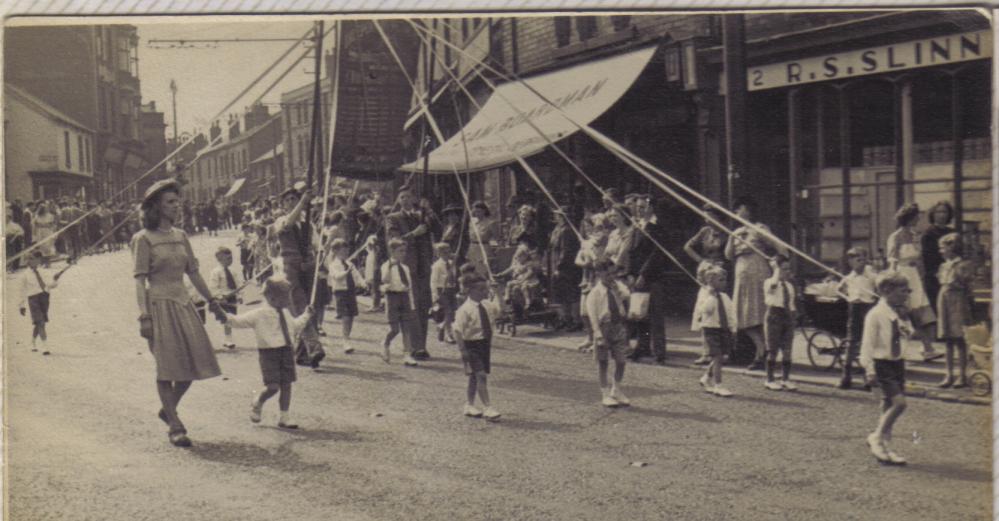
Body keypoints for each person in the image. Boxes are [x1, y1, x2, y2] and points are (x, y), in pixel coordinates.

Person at [132, 179, 222, 448]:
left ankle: (167, 408)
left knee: (193, 365)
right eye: (170, 202)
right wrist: (144, 316)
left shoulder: (181, 236)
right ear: (156, 207)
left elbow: (192, 272)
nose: (177, 205)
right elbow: (139, 280)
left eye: (177, 200)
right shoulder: (143, 239)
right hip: (158, 306)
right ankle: (175, 425)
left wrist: (212, 301)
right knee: (167, 368)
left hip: (184, 305)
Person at [218, 275, 312, 430]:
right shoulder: (259, 314)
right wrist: (222, 314)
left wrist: (307, 315)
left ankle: (284, 416)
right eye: (284, 297)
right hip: (269, 354)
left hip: (287, 351)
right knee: (273, 387)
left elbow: (295, 326)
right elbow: (237, 321)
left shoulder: (285, 313)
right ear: (271, 297)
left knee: (287, 384)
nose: (288, 301)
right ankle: (258, 401)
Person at [860, 271, 915, 465]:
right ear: (886, 291)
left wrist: (906, 325)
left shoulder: (899, 311)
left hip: (897, 363)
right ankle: (876, 437)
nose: (906, 294)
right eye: (903, 290)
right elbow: (867, 344)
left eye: (908, 290)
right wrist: (869, 369)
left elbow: (907, 335)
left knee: (887, 404)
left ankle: (883, 445)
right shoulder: (875, 314)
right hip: (881, 364)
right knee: (900, 403)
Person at [269, 186, 325, 368]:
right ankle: (315, 348)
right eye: (288, 200)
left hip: (307, 267)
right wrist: (302, 203)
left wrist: (314, 262)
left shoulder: (308, 224)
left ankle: (301, 354)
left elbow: (317, 246)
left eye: (295, 198)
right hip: (290, 268)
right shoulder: (280, 220)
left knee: (312, 305)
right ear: (283, 204)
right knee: (301, 307)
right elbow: (288, 225)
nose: (291, 202)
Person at [724, 196, 780, 371]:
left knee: (759, 314)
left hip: (758, 272)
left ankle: (763, 354)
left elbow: (778, 246)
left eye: (738, 209)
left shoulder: (759, 228)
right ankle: (762, 350)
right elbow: (728, 255)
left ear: (746, 210)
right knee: (743, 317)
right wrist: (732, 237)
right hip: (742, 275)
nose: (735, 213)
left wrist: (779, 260)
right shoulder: (736, 231)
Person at [886, 203, 941, 362]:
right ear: (909, 218)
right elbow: (893, 262)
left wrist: (921, 277)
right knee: (906, 313)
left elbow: (919, 259)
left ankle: (924, 348)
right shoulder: (895, 237)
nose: (918, 218)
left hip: (914, 277)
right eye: (916, 216)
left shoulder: (915, 235)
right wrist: (895, 282)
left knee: (916, 313)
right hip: (902, 276)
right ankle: (922, 348)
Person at [385, 189, 436, 360]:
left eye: (409, 196)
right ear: (398, 200)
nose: (406, 200)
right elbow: (394, 241)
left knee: (423, 306)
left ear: (414, 199)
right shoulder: (393, 218)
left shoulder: (419, 216)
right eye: (402, 197)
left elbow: (437, 228)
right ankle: (414, 347)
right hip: (407, 267)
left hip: (423, 266)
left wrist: (428, 211)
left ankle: (421, 345)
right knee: (411, 306)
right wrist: (415, 233)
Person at [452, 272, 502, 420]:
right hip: (470, 345)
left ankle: (469, 405)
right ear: (471, 291)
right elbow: (457, 330)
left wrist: (498, 293)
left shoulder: (487, 305)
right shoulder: (464, 309)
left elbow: (500, 312)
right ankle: (488, 407)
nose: (485, 291)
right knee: (480, 375)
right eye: (481, 289)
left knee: (474, 376)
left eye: (486, 288)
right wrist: (463, 351)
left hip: (484, 344)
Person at [585, 259, 632, 408]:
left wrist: (618, 289)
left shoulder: (617, 288)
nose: (611, 277)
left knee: (621, 360)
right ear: (598, 274)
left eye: (613, 274)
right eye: (607, 274)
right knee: (603, 362)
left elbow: (627, 294)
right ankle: (605, 393)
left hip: (618, 326)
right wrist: (597, 334)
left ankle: (616, 390)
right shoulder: (595, 293)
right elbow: (592, 316)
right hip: (604, 328)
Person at [631, 199, 671, 364]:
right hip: (638, 277)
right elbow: (632, 252)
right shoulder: (637, 227)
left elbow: (656, 254)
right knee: (641, 313)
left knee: (655, 315)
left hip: (652, 276)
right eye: (637, 207)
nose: (639, 210)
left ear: (651, 208)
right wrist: (631, 274)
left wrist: (643, 274)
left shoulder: (656, 227)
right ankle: (642, 346)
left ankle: (659, 351)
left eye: (643, 207)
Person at [936, 232, 974, 388]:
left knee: (959, 340)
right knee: (948, 340)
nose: (941, 251)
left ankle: (962, 375)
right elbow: (941, 281)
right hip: (944, 300)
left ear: (952, 248)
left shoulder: (963, 265)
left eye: (943, 248)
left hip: (958, 302)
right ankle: (949, 374)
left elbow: (966, 285)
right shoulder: (943, 266)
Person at [837, 247, 879, 390]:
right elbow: (838, 289)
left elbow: (879, 288)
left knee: (867, 343)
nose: (860, 263)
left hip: (868, 309)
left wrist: (875, 298)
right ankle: (846, 377)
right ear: (850, 262)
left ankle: (867, 377)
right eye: (856, 260)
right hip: (854, 309)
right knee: (851, 343)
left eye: (862, 259)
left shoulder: (872, 275)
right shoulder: (849, 277)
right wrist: (848, 298)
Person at [692, 265, 736, 397]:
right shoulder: (705, 295)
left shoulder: (725, 297)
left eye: (724, 280)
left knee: (721, 356)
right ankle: (718, 385)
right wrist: (711, 297)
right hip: (711, 329)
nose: (724, 283)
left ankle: (706, 377)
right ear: (710, 282)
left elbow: (730, 313)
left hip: (723, 329)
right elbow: (706, 311)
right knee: (717, 356)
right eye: (721, 280)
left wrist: (733, 327)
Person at [380, 238, 419, 366]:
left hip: (405, 298)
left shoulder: (405, 268)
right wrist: (390, 268)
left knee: (406, 328)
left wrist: (411, 303)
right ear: (392, 251)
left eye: (404, 251)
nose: (403, 254)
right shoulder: (386, 266)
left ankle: (407, 355)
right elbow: (384, 280)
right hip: (392, 297)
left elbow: (409, 286)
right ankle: (385, 343)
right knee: (394, 329)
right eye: (400, 251)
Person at [762, 255, 798, 391]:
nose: (787, 272)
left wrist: (793, 317)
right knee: (772, 350)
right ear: (777, 270)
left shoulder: (789, 286)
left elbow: (791, 303)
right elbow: (773, 286)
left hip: (787, 317)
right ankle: (769, 379)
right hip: (774, 316)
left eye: (788, 269)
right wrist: (776, 269)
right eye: (784, 269)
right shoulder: (769, 282)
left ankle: (785, 378)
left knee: (787, 349)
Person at [575, 213, 609, 352]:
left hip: (598, 278)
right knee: (584, 312)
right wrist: (584, 263)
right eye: (586, 227)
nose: (589, 229)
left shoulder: (605, 239)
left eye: (592, 226)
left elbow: (603, 259)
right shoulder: (586, 242)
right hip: (586, 279)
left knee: (598, 311)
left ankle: (598, 340)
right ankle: (589, 337)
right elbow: (577, 259)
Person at [18, 250, 63, 354]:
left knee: (40, 323)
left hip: (45, 297)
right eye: (28, 259)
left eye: (32, 258)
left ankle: (32, 341)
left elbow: (51, 285)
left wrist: (55, 279)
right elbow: (22, 291)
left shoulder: (43, 271)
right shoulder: (24, 275)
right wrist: (21, 305)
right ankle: (45, 347)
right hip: (33, 299)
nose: (29, 261)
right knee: (40, 322)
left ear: (38, 260)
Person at [329, 238, 365, 354]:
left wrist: (362, 283)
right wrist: (346, 272)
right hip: (340, 292)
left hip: (350, 292)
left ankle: (347, 337)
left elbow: (356, 275)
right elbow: (336, 276)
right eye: (342, 252)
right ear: (335, 252)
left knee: (351, 315)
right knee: (345, 316)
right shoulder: (333, 265)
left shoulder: (349, 264)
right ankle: (345, 340)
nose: (345, 254)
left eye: (346, 251)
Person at [548, 209, 582, 331]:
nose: (555, 216)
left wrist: (559, 266)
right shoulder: (558, 229)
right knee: (561, 294)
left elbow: (566, 251)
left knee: (570, 294)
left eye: (557, 215)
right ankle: (565, 319)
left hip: (567, 268)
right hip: (557, 264)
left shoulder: (567, 231)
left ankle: (575, 320)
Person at [921, 201, 955, 319]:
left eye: (945, 211)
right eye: (938, 211)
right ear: (933, 214)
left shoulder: (952, 232)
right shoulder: (928, 234)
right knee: (938, 309)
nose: (942, 215)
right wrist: (938, 273)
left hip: (952, 275)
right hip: (934, 277)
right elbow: (927, 258)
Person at [208, 246, 242, 349]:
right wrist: (220, 296)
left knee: (231, 318)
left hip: (232, 297)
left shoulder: (233, 271)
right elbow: (213, 286)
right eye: (228, 259)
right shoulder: (216, 272)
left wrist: (239, 295)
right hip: (223, 299)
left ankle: (227, 337)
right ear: (219, 259)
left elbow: (238, 284)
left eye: (231, 258)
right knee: (226, 318)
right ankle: (228, 339)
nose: (230, 261)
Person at [430, 242, 459, 344]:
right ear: (439, 254)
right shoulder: (437, 266)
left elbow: (454, 277)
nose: (447, 254)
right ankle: (449, 335)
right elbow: (433, 281)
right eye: (444, 253)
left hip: (451, 290)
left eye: (449, 252)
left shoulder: (452, 263)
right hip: (441, 290)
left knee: (453, 313)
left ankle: (441, 325)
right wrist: (435, 296)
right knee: (449, 311)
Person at [466, 201, 497, 279]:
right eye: (475, 211)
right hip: (472, 248)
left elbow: (497, 238)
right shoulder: (472, 222)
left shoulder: (490, 223)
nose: (477, 213)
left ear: (484, 211)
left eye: (479, 211)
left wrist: (495, 249)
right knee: (472, 272)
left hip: (483, 248)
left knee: (483, 272)